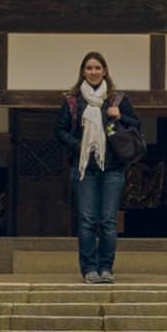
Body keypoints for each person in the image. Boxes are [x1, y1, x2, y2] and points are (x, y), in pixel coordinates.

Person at [55, 50, 140, 283]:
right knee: (87, 220)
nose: (93, 72)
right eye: (89, 68)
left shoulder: (117, 100)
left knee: (108, 221)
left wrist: (120, 116)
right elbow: (60, 130)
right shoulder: (72, 100)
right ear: (83, 71)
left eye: (97, 68)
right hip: (83, 168)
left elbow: (136, 125)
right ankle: (89, 269)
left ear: (105, 71)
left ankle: (106, 268)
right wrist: (79, 145)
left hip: (112, 167)